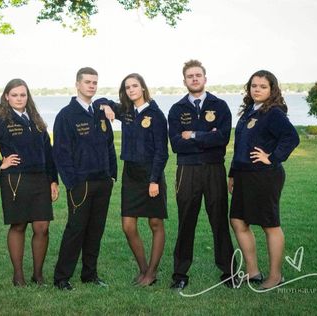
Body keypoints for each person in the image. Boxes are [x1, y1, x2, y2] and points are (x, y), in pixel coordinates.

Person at [0, 79, 59, 287]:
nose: (20, 98)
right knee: (18, 225)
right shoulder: (1, 121)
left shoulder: (35, 120)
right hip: (15, 180)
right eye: (15, 95)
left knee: (42, 227)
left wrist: (53, 180)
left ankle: (38, 275)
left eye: (23, 95)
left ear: (28, 97)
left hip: (40, 179)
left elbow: (48, 152)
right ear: (7, 97)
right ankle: (18, 275)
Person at [167, 59, 236, 290]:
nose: (194, 79)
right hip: (186, 171)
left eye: (198, 75)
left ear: (205, 78)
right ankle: (180, 274)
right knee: (186, 221)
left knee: (219, 221)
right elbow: (176, 144)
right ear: (184, 80)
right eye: (190, 76)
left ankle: (228, 272)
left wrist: (193, 136)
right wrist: (207, 136)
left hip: (214, 169)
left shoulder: (220, 105)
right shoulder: (177, 109)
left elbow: (222, 139)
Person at [228, 70, 299, 289]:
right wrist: (232, 173)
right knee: (238, 220)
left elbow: (291, 137)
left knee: (270, 225)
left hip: (265, 177)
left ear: (272, 89)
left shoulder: (274, 113)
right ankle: (252, 272)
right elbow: (240, 145)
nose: (257, 89)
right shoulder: (250, 110)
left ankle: (276, 276)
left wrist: (272, 158)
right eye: (254, 86)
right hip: (243, 175)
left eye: (263, 86)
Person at [97, 73, 168, 286]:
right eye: (127, 87)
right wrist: (106, 107)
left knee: (155, 223)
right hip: (130, 174)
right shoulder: (126, 112)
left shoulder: (156, 114)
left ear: (143, 88)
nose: (131, 90)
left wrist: (154, 180)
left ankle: (152, 272)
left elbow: (162, 152)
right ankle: (144, 269)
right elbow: (101, 100)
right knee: (128, 225)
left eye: (134, 86)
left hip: (150, 175)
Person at [52, 67, 117, 290]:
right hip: (81, 184)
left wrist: (112, 176)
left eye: (94, 82)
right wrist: (72, 183)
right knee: (76, 229)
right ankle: (62, 277)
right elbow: (60, 153)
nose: (91, 86)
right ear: (77, 84)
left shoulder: (99, 112)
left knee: (95, 229)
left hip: (103, 181)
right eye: (87, 82)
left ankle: (90, 274)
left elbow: (109, 145)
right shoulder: (66, 116)